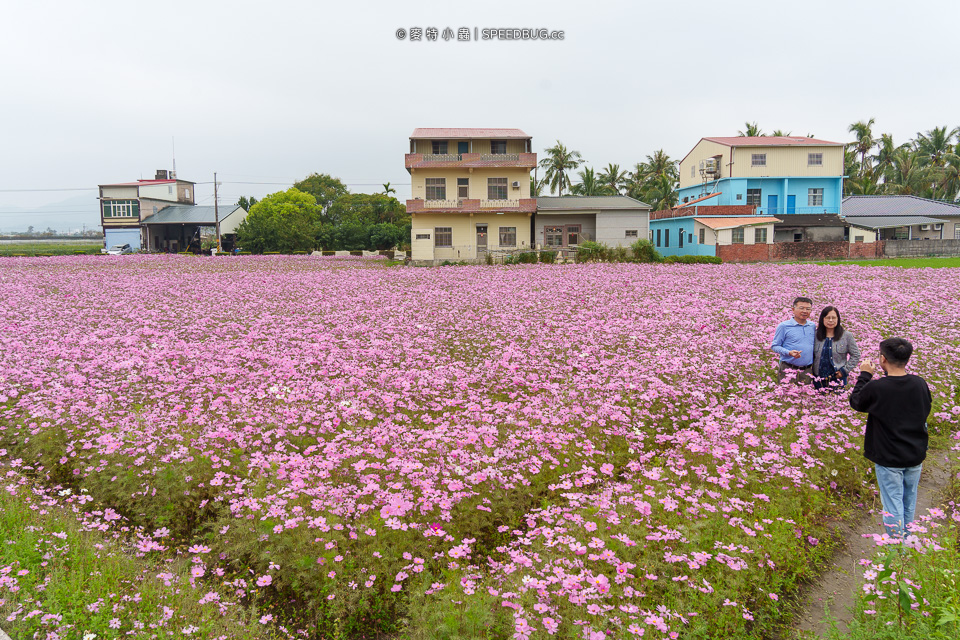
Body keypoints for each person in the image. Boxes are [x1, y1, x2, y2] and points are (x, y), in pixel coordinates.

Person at [849, 338, 931, 538]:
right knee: (908, 501)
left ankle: (897, 548)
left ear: (882, 359)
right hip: (914, 454)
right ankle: (908, 540)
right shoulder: (919, 383)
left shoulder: (878, 387)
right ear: (907, 359)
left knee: (892, 503)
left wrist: (865, 375)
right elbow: (926, 407)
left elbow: (856, 402)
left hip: (889, 456)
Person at [812, 306, 860, 390]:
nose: (830, 320)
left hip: (838, 379)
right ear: (822, 319)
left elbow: (856, 355)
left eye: (833, 318)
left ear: (838, 319)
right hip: (818, 379)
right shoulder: (815, 335)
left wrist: (844, 370)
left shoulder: (846, 336)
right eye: (827, 318)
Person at [771, 297, 815, 383]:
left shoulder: (812, 326)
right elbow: (775, 346)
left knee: (805, 395)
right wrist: (789, 352)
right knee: (787, 395)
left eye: (808, 309)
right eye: (801, 308)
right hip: (788, 369)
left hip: (807, 370)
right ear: (793, 309)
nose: (805, 311)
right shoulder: (784, 326)